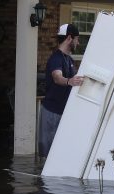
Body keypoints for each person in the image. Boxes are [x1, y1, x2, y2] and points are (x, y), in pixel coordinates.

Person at [38, 24, 84, 158]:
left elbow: (74, 79)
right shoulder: (56, 58)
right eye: (77, 39)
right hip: (52, 113)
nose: (78, 42)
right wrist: (69, 81)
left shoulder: (69, 59)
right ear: (69, 38)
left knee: (59, 154)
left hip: (63, 113)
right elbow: (57, 77)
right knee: (48, 156)